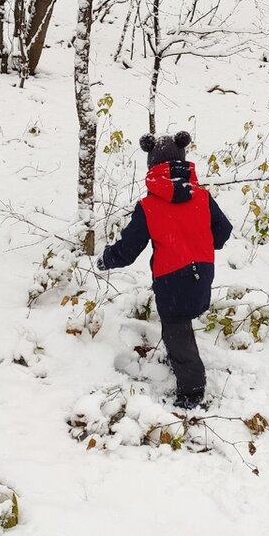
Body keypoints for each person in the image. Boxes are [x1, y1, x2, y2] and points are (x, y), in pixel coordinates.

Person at [97, 130, 233, 409]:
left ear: (151, 166)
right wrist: (203, 243)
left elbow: (129, 249)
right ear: (184, 160)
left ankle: (192, 392)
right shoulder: (203, 197)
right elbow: (224, 231)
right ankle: (182, 369)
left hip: (172, 277)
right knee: (182, 321)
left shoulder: (149, 206)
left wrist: (105, 260)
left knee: (176, 330)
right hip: (203, 271)